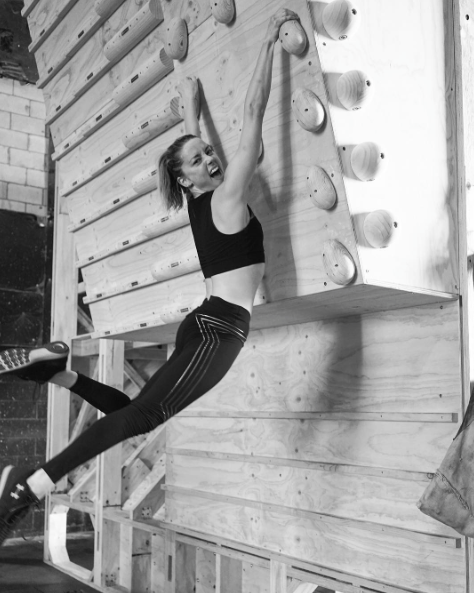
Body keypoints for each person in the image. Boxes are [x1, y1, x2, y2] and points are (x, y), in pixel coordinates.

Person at [0, 7, 300, 546]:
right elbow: (254, 113)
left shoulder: (203, 202)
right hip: (216, 329)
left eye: (209, 153)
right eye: (200, 159)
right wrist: (269, 43)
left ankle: (52, 402)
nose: (212, 158)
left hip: (211, 325)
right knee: (140, 415)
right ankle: (30, 482)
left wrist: (191, 112)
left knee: (138, 414)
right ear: (187, 180)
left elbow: (193, 152)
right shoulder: (225, 200)